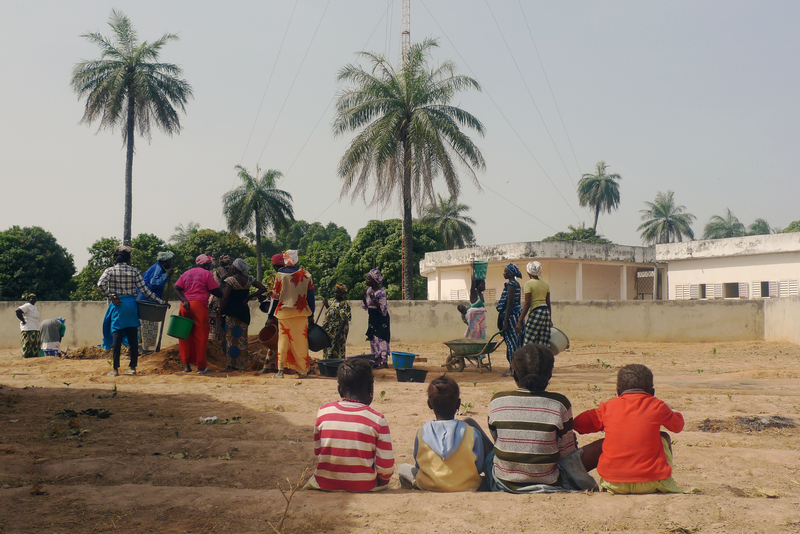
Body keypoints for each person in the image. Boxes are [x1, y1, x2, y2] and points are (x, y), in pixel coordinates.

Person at [485, 343, 601, 493]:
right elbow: (566, 453)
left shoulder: (497, 401)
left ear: (514, 374)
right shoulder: (560, 403)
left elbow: (497, 439)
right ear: (550, 375)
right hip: (550, 482)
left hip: (503, 483)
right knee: (600, 446)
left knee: (491, 455)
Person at [573, 363, 685, 494]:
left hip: (613, 484)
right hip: (652, 484)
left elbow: (579, 424)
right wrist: (670, 410)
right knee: (664, 436)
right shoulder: (657, 406)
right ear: (652, 392)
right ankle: (665, 481)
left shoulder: (608, 408)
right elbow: (678, 426)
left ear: (618, 391)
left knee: (610, 441)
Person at [307, 358, 394, 491]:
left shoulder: (323, 412)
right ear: (371, 388)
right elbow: (386, 468)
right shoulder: (377, 420)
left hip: (325, 484)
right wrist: (381, 481)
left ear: (339, 390)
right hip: (364, 486)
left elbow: (318, 452)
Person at [399, 375, 487, 491]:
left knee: (402, 469)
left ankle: (413, 491)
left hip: (429, 485)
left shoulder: (422, 433)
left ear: (429, 404)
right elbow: (479, 467)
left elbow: (418, 465)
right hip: (467, 485)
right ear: (458, 404)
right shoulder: (472, 432)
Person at [97, 245, 167, 376]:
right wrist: (161, 302)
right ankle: (133, 368)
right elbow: (145, 291)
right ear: (128, 259)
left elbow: (100, 284)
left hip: (118, 305)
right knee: (133, 338)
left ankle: (115, 369)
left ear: (116, 259)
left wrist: (111, 296)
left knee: (116, 338)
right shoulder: (134, 271)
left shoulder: (110, 270)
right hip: (131, 305)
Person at [174, 254, 223, 374]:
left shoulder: (186, 273)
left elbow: (176, 288)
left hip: (184, 306)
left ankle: (186, 366)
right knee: (200, 337)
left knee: (184, 336)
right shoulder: (206, 274)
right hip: (198, 306)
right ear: (206, 264)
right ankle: (201, 367)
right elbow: (214, 290)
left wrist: (184, 299)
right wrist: (225, 294)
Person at [269, 250, 315, 379]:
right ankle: (302, 371)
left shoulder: (279, 275)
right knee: (301, 342)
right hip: (301, 313)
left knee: (283, 340)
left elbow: (275, 298)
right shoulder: (306, 275)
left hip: (283, 313)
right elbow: (311, 297)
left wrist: (270, 316)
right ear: (297, 259)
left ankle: (280, 371)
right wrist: (312, 314)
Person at [218, 258, 267, 372]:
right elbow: (262, 288)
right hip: (244, 312)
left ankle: (231, 365)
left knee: (230, 339)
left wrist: (220, 311)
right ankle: (242, 365)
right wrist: (249, 297)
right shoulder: (249, 279)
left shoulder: (231, 280)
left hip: (232, 312)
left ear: (235, 268)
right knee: (242, 340)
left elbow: (225, 297)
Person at [137, 251, 175, 353]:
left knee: (143, 326)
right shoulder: (158, 268)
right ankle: (147, 349)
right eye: (169, 261)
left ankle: (142, 348)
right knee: (148, 325)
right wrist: (167, 275)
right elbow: (154, 283)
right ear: (164, 261)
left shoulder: (159, 268)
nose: (171, 263)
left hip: (147, 299)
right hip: (147, 301)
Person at [258, 253, 285, 374]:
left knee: (275, 339)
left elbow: (274, 297)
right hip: (288, 311)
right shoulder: (292, 275)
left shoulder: (275, 277)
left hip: (276, 312)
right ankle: (277, 365)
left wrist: (270, 316)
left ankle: (270, 366)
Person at [516, 261, 552, 347]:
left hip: (536, 313)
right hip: (546, 313)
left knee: (528, 343)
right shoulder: (545, 285)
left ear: (528, 272)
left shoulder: (528, 284)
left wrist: (520, 322)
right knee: (543, 343)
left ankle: (528, 360)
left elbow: (527, 304)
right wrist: (550, 319)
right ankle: (542, 359)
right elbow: (548, 303)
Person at [496, 263, 522, 376]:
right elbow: (518, 302)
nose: (504, 273)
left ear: (510, 273)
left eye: (505, 272)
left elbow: (510, 303)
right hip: (517, 314)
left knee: (512, 343)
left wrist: (506, 321)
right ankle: (518, 367)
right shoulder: (517, 284)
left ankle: (513, 369)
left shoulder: (511, 284)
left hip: (511, 316)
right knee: (517, 342)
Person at [362, 268, 390, 368]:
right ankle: (376, 360)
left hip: (381, 318)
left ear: (374, 280)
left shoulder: (381, 292)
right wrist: (363, 298)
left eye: (368, 278)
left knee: (381, 338)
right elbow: (366, 307)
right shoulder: (369, 291)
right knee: (373, 338)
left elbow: (383, 308)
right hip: (372, 317)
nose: (366, 280)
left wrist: (374, 299)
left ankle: (384, 361)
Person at [321, 283, 352, 359]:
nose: (336, 294)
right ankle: (328, 364)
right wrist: (326, 305)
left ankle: (337, 365)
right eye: (335, 292)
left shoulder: (344, 304)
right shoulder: (334, 302)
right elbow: (332, 313)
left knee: (337, 347)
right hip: (330, 329)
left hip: (338, 329)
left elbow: (345, 319)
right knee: (328, 347)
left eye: (338, 293)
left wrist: (339, 331)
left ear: (342, 293)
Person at [208, 255, 233, 345]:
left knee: (214, 325)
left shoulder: (215, 270)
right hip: (217, 300)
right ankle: (214, 345)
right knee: (216, 326)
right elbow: (227, 280)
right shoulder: (221, 270)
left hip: (213, 299)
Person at [15, 293, 41, 358]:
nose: (33, 299)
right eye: (31, 298)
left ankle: (34, 357)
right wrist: (23, 320)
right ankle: (26, 358)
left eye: (34, 298)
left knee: (36, 344)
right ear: (29, 299)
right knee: (27, 344)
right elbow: (18, 311)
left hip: (36, 328)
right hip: (28, 328)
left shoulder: (35, 307)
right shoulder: (27, 306)